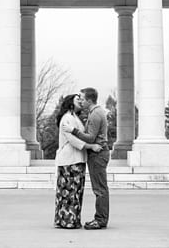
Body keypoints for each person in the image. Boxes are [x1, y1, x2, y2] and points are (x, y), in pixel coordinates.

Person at [61, 87, 109, 230]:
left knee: (99, 189)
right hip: (98, 153)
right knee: (100, 188)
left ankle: (100, 220)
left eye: (82, 98)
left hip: (98, 154)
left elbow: (91, 138)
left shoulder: (95, 114)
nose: (81, 101)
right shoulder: (96, 112)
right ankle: (101, 219)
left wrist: (73, 130)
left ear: (89, 100)